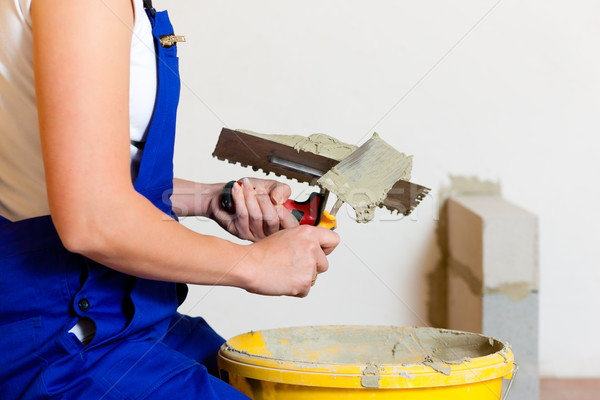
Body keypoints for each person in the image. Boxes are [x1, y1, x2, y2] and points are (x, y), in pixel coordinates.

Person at [0, 0, 340, 398]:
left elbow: (77, 177)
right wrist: (255, 263)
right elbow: (93, 219)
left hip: (127, 314)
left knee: (257, 381)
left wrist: (210, 198)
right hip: (65, 340)